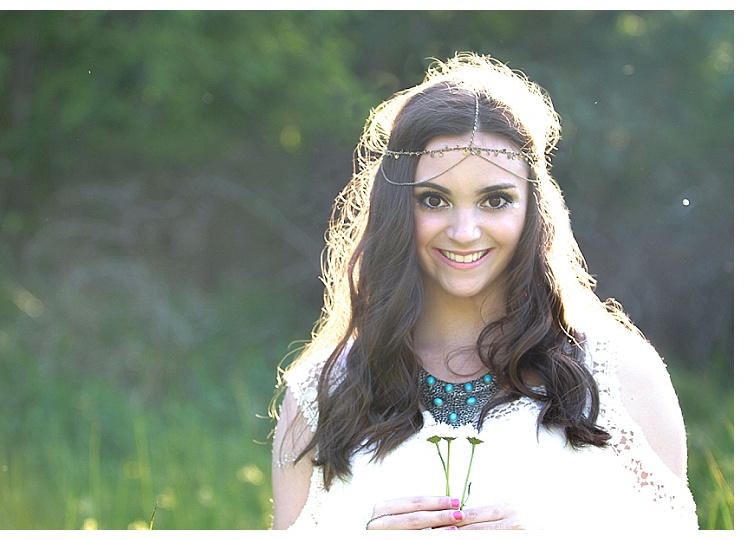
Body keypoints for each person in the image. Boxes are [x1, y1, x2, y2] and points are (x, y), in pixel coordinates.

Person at [269, 52, 698, 530]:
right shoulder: (319, 394)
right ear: (395, 210)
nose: (465, 230)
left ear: (533, 209)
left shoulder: (620, 375)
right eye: (434, 200)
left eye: (495, 200)